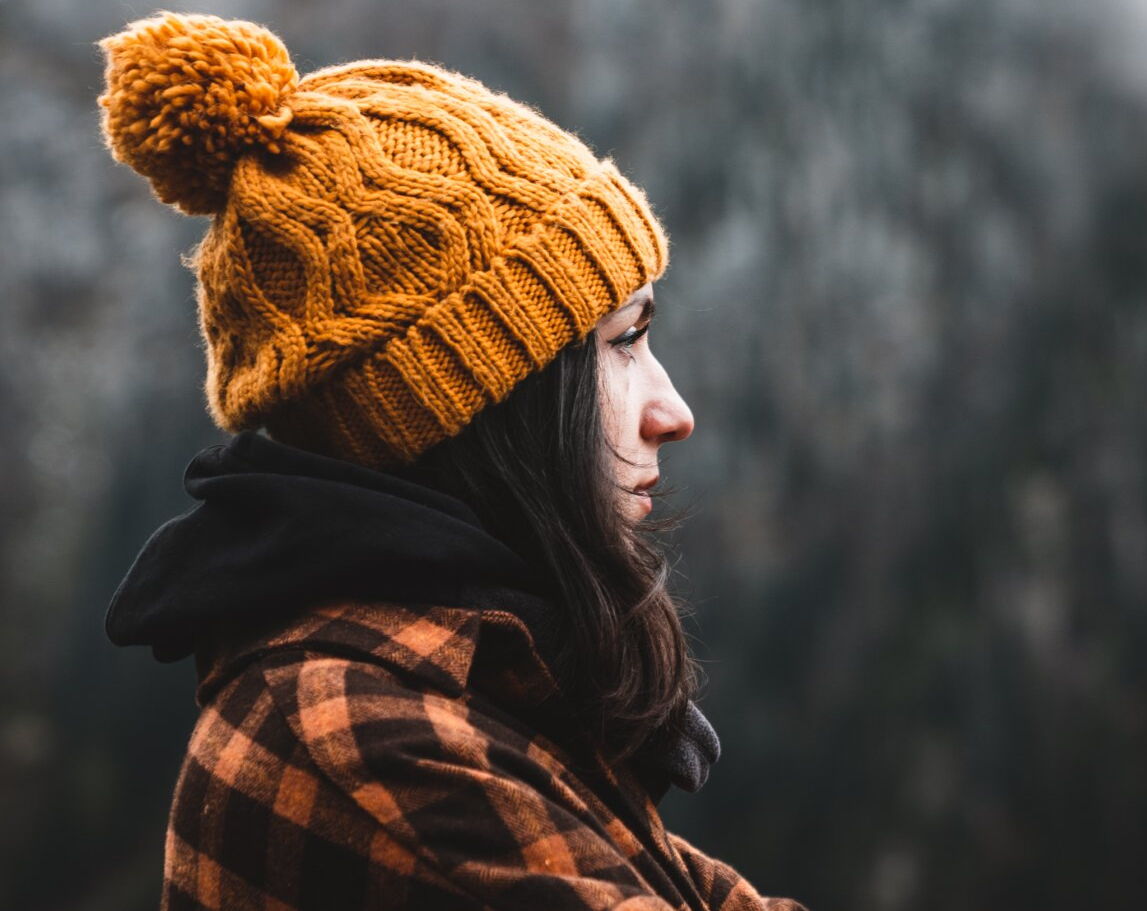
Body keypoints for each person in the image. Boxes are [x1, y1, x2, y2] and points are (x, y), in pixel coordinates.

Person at [97, 12, 805, 910]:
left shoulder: (472, 684)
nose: (675, 412)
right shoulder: (366, 745)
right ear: (476, 404)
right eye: (623, 343)